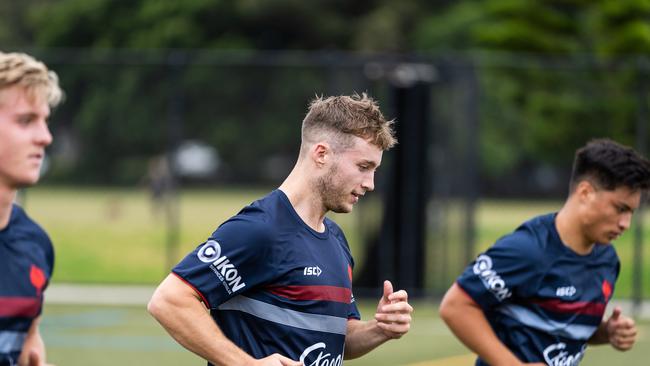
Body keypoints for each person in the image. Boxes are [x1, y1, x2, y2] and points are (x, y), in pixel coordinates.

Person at [148, 93, 413, 365]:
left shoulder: (335, 239)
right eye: (363, 166)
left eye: (374, 170)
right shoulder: (260, 229)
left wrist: (379, 329)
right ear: (321, 154)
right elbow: (170, 300)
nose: (370, 183)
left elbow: (337, 338)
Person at [440, 138, 650, 365]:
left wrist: (607, 332)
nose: (625, 224)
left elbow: (567, 327)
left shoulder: (607, 260)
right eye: (620, 209)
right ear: (586, 192)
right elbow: (455, 306)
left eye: (631, 212)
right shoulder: (527, 250)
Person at [0, 51, 63, 366]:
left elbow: (26, 349)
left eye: (44, 121)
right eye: (26, 120)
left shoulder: (34, 245)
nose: (45, 137)